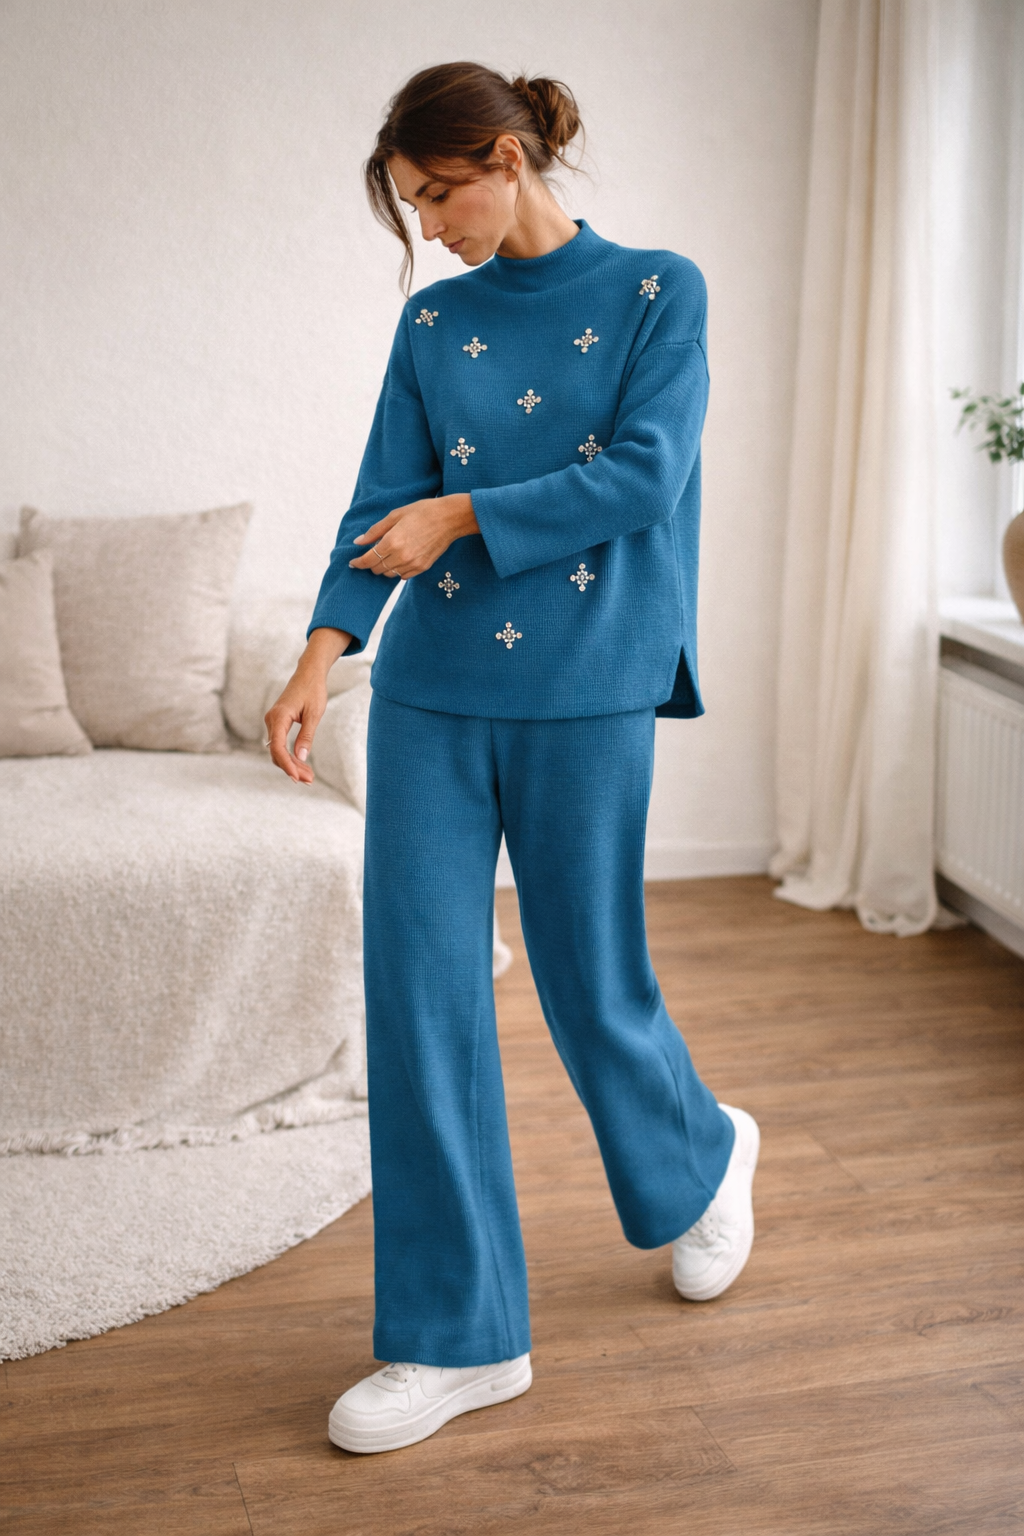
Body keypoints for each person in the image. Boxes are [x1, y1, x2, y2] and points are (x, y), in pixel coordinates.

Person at [265, 61, 759, 1456]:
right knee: (419, 1002)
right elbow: (381, 500)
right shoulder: (434, 321)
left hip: (591, 680)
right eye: (411, 208)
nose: (430, 229)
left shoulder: (663, 290)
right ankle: (458, 1337)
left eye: (436, 195)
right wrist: (320, 655)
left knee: (589, 986)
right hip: (430, 692)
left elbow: (644, 475)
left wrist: (465, 514)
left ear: (502, 156)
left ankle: (704, 1153)